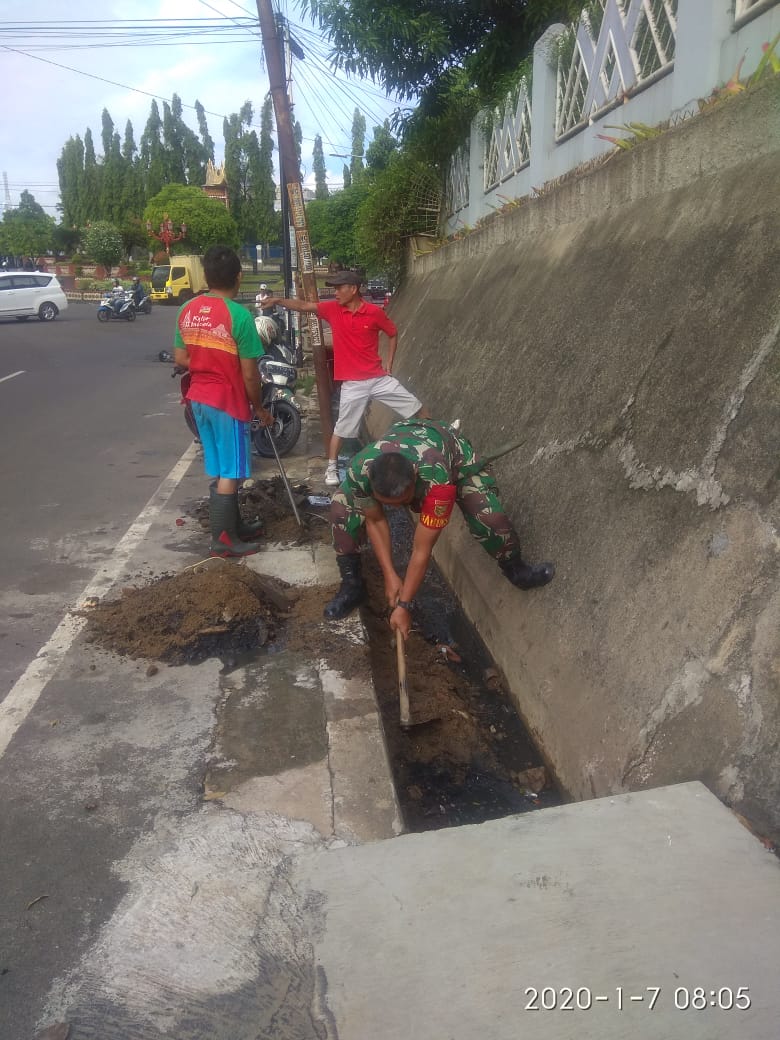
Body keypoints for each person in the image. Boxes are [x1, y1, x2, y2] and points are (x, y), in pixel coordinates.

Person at [323, 418, 555, 631]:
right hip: (405, 444)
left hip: (455, 459)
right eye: (389, 504)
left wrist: (404, 605)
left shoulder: (436, 477)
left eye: (403, 501)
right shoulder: (359, 471)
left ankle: (515, 568)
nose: (397, 508)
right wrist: (390, 575)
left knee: (490, 519)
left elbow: (422, 549)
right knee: (340, 507)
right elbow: (375, 519)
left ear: (414, 477)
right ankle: (353, 585)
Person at [274, 271, 428, 486]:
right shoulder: (332, 309)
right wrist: (278, 300)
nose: (335, 292)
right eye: (334, 288)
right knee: (342, 430)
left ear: (353, 289)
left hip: (378, 379)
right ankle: (331, 468)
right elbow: (303, 306)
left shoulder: (374, 313)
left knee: (417, 408)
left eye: (339, 288)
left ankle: (441, 437)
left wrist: (389, 364)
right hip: (353, 384)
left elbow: (392, 333)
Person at [173, 244, 275, 558]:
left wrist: (207, 363)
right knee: (232, 471)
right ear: (239, 276)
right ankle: (224, 540)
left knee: (221, 468)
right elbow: (249, 376)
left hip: (198, 400)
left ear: (206, 275)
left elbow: (180, 357)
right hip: (226, 402)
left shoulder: (187, 309)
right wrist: (259, 408)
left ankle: (233, 526)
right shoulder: (240, 317)